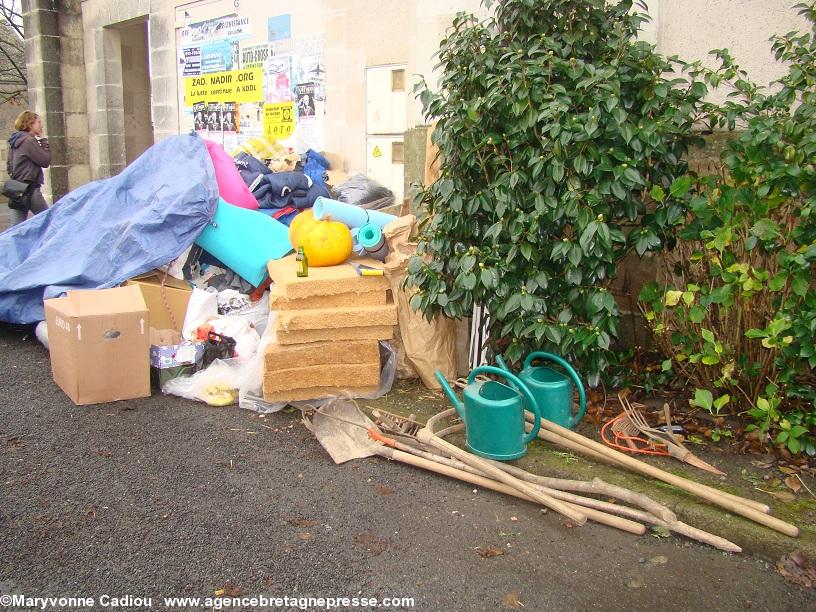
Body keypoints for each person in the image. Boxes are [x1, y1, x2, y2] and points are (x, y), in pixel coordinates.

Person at [6, 110, 50, 226]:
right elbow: (45, 161)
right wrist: (44, 142)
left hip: (18, 190)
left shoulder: (15, 141)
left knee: (16, 229)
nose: (41, 126)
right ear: (30, 123)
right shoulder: (29, 141)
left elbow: (9, 167)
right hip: (30, 189)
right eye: (39, 122)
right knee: (49, 223)